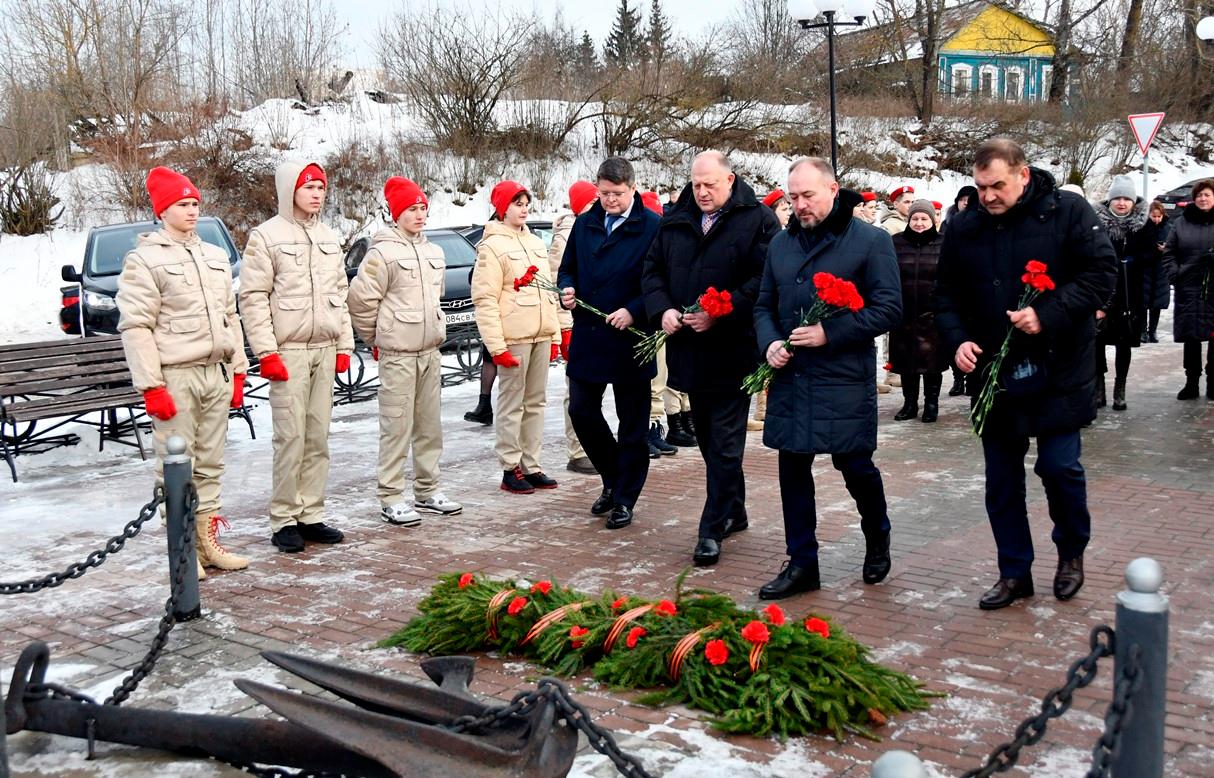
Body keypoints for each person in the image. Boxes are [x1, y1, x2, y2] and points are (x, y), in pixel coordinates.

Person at [935, 138, 1115, 610]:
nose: (988, 196)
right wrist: (957, 341)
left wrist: (1048, 313)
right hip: (994, 372)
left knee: (1059, 468)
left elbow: (1101, 275)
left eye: (997, 185)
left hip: (1058, 365)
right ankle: (1014, 573)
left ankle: (1071, 551)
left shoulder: (1069, 212)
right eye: (980, 187)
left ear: (1023, 175)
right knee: (1001, 481)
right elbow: (945, 293)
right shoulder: (965, 225)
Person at [754, 159, 901, 599]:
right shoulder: (781, 245)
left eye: (808, 196)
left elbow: (889, 308)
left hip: (842, 378)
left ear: (833, 189)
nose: (799, 205)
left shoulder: (870, 241)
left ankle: (877, 535)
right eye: (792, 197)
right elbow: (763, 305)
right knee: (792, 470)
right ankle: (802, 563)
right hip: (791, 378)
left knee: (855, 467)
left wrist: (829, 332)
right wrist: (770, 343)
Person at [642, 150, 780, 567]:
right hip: (690, 350)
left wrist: (723, 310)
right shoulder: (676, 217)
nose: (701, 192)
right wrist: (662, 307)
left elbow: (765, 278)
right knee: (707, 438)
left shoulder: (758, 219)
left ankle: (711, 527)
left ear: (730, 180)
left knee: (723, 442)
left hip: (734, 349)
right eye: (696, 184)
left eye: (710, 185)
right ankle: (734, 508)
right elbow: (652, 270)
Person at [117, 167, 250, 580]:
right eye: (182, 205)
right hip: (175, 375)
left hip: (215, 372)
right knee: (175, 466)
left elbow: (230, 316)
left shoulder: (213, 256)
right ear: (163, 210)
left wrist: (239, 370)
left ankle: (207, 541)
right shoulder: (145, 260)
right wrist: (151, 385)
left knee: (211, 463)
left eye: (195, 204)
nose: (191, 211)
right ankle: (181, 550)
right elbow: (136, 326)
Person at [240, 161, 353, 553]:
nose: (317, 194)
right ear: (290, 190)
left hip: (324, 347)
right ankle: (284, 518)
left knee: (317, 436)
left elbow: (341, 293)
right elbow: (253, 298)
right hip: (289, 351)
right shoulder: (266, 236)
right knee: (290, 437)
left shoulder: (328, 235)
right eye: (309, 187)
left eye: (321, 187)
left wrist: (344, 345)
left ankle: (310, 513)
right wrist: (266, 351)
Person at [347, 176, 463, 527]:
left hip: (429, 351)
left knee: (430, 427)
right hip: (398, 353)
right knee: (396, 426)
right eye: (412, 209)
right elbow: (361, 301)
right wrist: (377, 339)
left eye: (423, 208)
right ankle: (391, 495)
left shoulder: (433, 251)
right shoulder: (381, 253)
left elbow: (436, 296)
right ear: (396, 213)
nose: (419, 215)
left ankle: (427, 489)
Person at [558, 157, 662, 530]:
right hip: (589, 332)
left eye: (617, 194)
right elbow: (567, 267)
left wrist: (634, 311)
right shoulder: (585, 223)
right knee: (581, 410)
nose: (609, 201)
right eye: (604, 193)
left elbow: (658, 280)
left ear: (633, 188)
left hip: (630, 337)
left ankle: (625, 497)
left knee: (632, 423)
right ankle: (612, 475)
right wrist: (566, 290)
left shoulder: (652, 227)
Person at [472, 180, 562, 493]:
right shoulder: (492, 246)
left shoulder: (536, 243)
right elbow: (484, 299)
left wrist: (554, 336)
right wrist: (496, 347)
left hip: (539, 334)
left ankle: (531, 464)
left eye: (526, 203)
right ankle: (510, 466)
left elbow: (547, 291)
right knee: (513, 404)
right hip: (514, 337)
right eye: (516, 203)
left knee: (536, 402)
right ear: (502, 208)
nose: (523, 209)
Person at [550, 180, 599, 475]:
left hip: (594, 323)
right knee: (577, 393)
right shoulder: (568, 235)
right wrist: (563, 328)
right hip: (574, 323)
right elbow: (559, 284)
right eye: (592, 203)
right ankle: (578, 450)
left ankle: (592, 445)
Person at [1093, 175, 1148, 411]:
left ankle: (1120, 388)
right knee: (1097, 342)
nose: (1122, 203)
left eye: (1127, 198)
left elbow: (1151, 259)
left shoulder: (1143, 226)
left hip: (1130, 294)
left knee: (1124, 343)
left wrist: (1134, 263)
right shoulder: (1096, 225)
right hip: (1103, 293)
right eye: (1118, 198)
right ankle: (1098, 389)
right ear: (1110, 200)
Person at [890, 200, 947, 423]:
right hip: (903, 312)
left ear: (933, 220)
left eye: (924, 218)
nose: (919, 223)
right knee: (906, 362)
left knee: (932, 362)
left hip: (932, 313)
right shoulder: (896, 243)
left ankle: (931, 403)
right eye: (915, 218)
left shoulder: (944, 243)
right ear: (908, 220)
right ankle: (909, 403)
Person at [1163, 178, 1214, 400]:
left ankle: (1213, 383)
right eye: (1199, 195)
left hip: (1213, 287)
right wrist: (1175, 273)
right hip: (1189, 286)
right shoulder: (1181, 223)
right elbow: (1169, 252)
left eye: (1207, 195)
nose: (1203, 199)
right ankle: (1191, 382)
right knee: (1191, 337)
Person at [750, 189, 793, 432]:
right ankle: (761, 407)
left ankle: (764, 407)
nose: (789, 213)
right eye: (784, 209)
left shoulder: (786, 236)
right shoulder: (770, 238)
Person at [943, 185, 978, 396]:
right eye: (962, 199)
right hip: (958, 293)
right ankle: (958, 380)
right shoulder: (950, 226)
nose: (965, 202)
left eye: (969, 199)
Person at [1138, 200, 1172, 343]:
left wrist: (1165, 249)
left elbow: (1173, 246)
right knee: (1143, 302)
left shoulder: (1168, 228)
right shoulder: (1143, 227)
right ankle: (1142, 331)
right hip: (1145, 268)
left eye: (1159, 216)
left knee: (1157, 302)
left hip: (1161, 269)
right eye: (1154, 216)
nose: (1157, 219)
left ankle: (1153, 331)